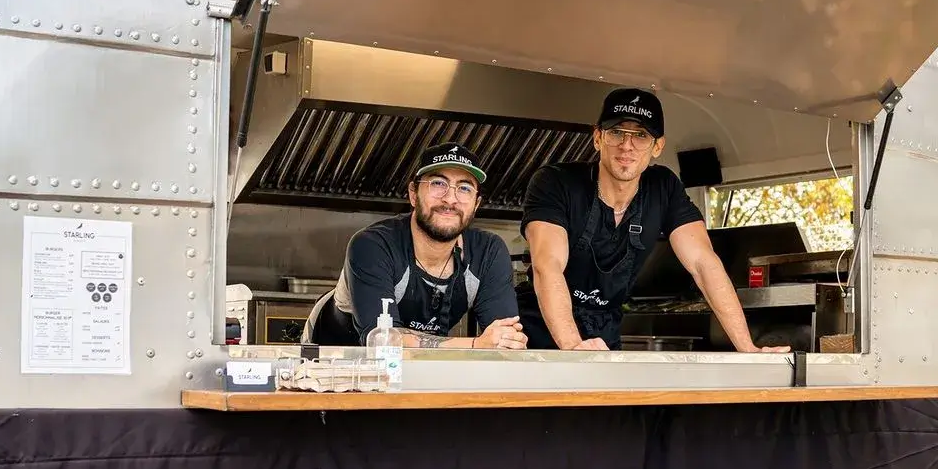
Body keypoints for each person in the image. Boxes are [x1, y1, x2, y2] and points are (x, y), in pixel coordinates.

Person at [516, 88, 790, 353]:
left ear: (658, 146)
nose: (627, 145)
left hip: (604, 329)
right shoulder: (555, 183)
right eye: (616, 132)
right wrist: (574, 346)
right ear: (598, 138)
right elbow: (547, 266)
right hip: (539, 328)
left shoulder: (663, 188)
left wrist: (748, 348)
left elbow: (704, 264)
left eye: (641, 135)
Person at [304, 142, 527, 350]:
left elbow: (505, 340)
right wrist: (475, 345)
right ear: (413, 194)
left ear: (476, 204)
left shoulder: (488, 252)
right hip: (334, 361)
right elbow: (383, 341)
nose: (450, 199)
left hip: (422, 364)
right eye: (438, 184)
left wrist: (505, 342)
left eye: (464, 188)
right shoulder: (373, 245)